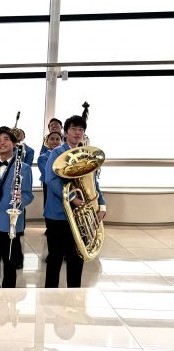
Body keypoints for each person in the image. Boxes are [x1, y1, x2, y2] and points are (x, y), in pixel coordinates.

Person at [44, 115, 106, 288]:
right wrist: (73, 198)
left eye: (81, 130)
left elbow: (94, 182)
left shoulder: (86, 154)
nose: (78, 133)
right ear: (66, 132)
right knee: (55, 257)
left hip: (81, 214)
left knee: (77, 256)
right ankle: (49, 295)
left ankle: (74, 295)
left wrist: (102, 205)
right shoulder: (57, 152)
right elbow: (51, 179)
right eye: (73, 129)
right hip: (58, 214)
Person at [0, 127, 34, 288]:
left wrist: (20, 199)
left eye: (6, 139)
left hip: (10, 222)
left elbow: (28, 195)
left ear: (14, 144)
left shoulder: (24, 167)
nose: (2, 143)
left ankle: (8, 297)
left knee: (10, 264)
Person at [9, 127, 34, 269]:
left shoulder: (27, 151)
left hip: (19, 186)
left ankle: (17, 257)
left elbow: (28, 194)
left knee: (16, 231)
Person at [38, 131, 62, 207]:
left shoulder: (64, 156)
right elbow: (48, 174)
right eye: (52, 139)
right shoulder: (43, 157)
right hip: (49, 186)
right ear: (47, 142)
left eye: (57, 139)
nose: (55, 141)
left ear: (61, 142)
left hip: (64, 186)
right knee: (50, 206)